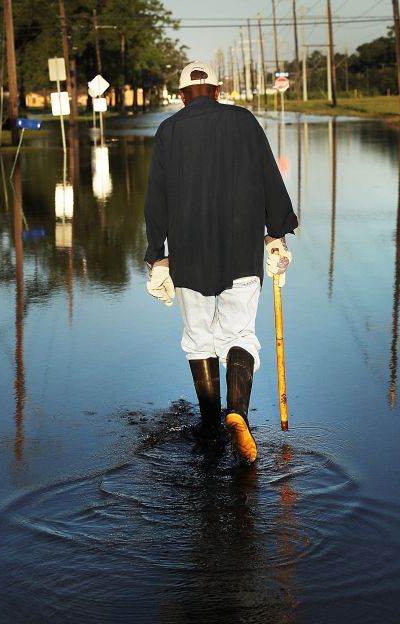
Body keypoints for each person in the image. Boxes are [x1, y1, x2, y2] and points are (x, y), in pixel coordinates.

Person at [143, 61, 298, 464]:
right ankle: (237, 414)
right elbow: (268, 175)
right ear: (217, 90)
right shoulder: (243, 121)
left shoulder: (168, 131)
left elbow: (156, 198)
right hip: (239, 251)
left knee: (198, 336)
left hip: (188, 253)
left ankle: (211, 424)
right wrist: (276, 231)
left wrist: (156, 254)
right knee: (240, 333)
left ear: (181, 96)